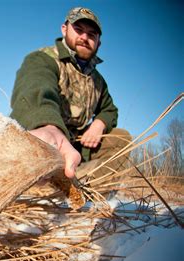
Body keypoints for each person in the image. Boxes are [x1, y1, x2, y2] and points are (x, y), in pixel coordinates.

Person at [10, 7, 131, 182]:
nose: (84, 37)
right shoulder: (42, 59)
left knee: (121, 138)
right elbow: (36, 90)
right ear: (64, 29)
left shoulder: (98, 81)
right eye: (79, 30)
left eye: (92, 35)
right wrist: (48, 127)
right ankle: (45, 184)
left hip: (77, 146)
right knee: (40, 155)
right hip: (45, 139)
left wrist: (99, 124)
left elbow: (110, 110)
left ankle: (86, 189)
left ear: (98, 43)